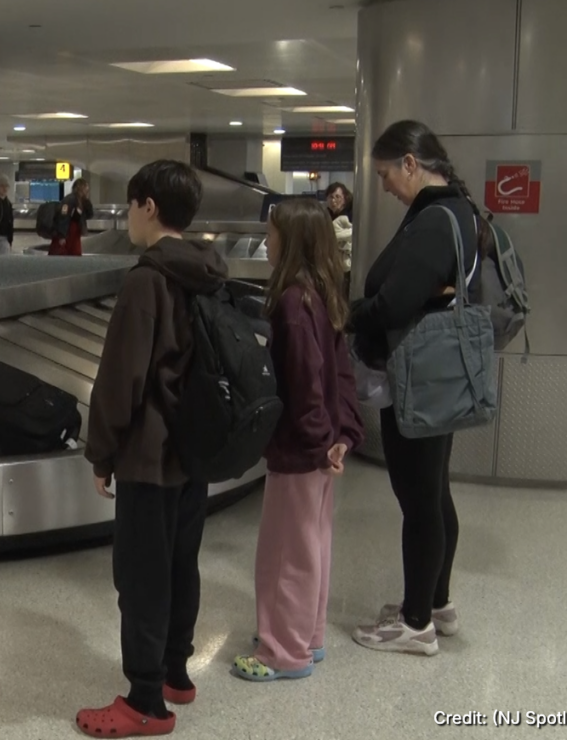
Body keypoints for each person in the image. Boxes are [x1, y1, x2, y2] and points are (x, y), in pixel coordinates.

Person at [77, 160, 227, 737]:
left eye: (131, 206)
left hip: (149, 455)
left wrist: (101, 452)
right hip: (194, 450)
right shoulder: (207, 272)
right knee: (179, 564)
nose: (129, 217)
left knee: (141, 576)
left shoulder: (147, 279)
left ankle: (144, 702)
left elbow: (122, 379)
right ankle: (175, 675)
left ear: (147, 208)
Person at [348, 119, 484, 655]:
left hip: (419, 375)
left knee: (419, 501)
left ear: (411, 163)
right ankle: (437, 602)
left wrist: (349, 315)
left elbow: (395, 302)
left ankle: (414, 623)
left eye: (386, 174)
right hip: (441, 374)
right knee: (435, 492)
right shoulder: (459, 211)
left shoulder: (434, 218)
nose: (383, 186)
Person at [232, 199, 364, 682]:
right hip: (325, 445)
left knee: (285, 550)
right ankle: (308, 634)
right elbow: (339, 376)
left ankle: (282, 652)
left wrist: (313, 442)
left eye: (272, 235)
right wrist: (340, 437)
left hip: (301, 448)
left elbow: (305, 383)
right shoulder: (323, 294)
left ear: (293, 242)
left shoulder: (291, 302)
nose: (267, 242)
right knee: (313, 544)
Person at [49, 178, 94, 256]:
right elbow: (63, 217)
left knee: (75, 252)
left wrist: (87, 202)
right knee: (62, 252)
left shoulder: (82, 201)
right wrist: (62, 236)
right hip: (67, 231)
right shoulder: (69, 200)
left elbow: (90, 214)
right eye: (85, 188)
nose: (87, 191)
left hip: (75, 232)